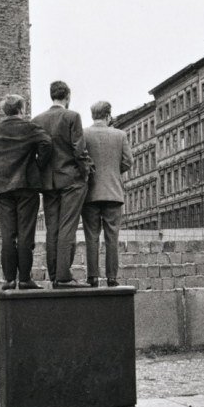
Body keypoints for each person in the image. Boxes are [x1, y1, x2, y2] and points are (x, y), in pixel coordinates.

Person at [0, 94, 52, 290]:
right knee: (26, 234)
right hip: (26, 186)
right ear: (21, 109)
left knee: (8, 234)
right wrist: (37, 165)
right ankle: (24, 278)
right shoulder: (29, 128)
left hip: (3, 188)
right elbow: (47, 143)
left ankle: (9, 279)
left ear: (4, 111)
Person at [31, 81, 93, 288]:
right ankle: (64, 276)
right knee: (68, 226)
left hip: (48, 183)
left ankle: (54, 275)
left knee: (52, 229)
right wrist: (85, 172)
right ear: (67, 96)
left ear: (51, 96)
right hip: (71, 180)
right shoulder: (72, 116)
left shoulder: (37, 120)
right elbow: (79, 150)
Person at [81, 101, 132, 287]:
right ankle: (112, 277)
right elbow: (128, 161)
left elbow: (80, 159)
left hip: (90, 194)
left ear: (93, 115)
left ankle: (92, 277)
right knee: (112, 237)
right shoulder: (120, 135)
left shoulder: (84, 134)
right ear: (108, 115)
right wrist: (113, 171)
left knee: (91, 237)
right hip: (113, 193)